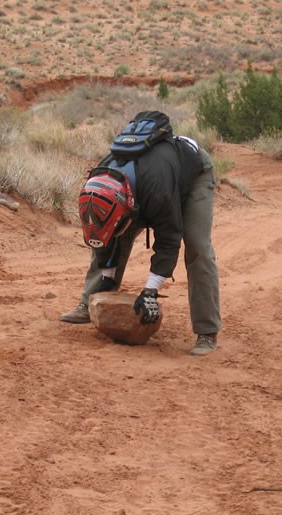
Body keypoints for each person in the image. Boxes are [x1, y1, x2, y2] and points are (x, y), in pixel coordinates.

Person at [60, 124, 221, 356]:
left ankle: (207, 330)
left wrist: (150, 291)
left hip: (190, 174)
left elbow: (169, 239)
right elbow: (103, 236)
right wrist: (107, 277)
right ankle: (90, 303)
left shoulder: (159, 192)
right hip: (139, 184)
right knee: (111, 228)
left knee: (197, 246)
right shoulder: (101, 178)